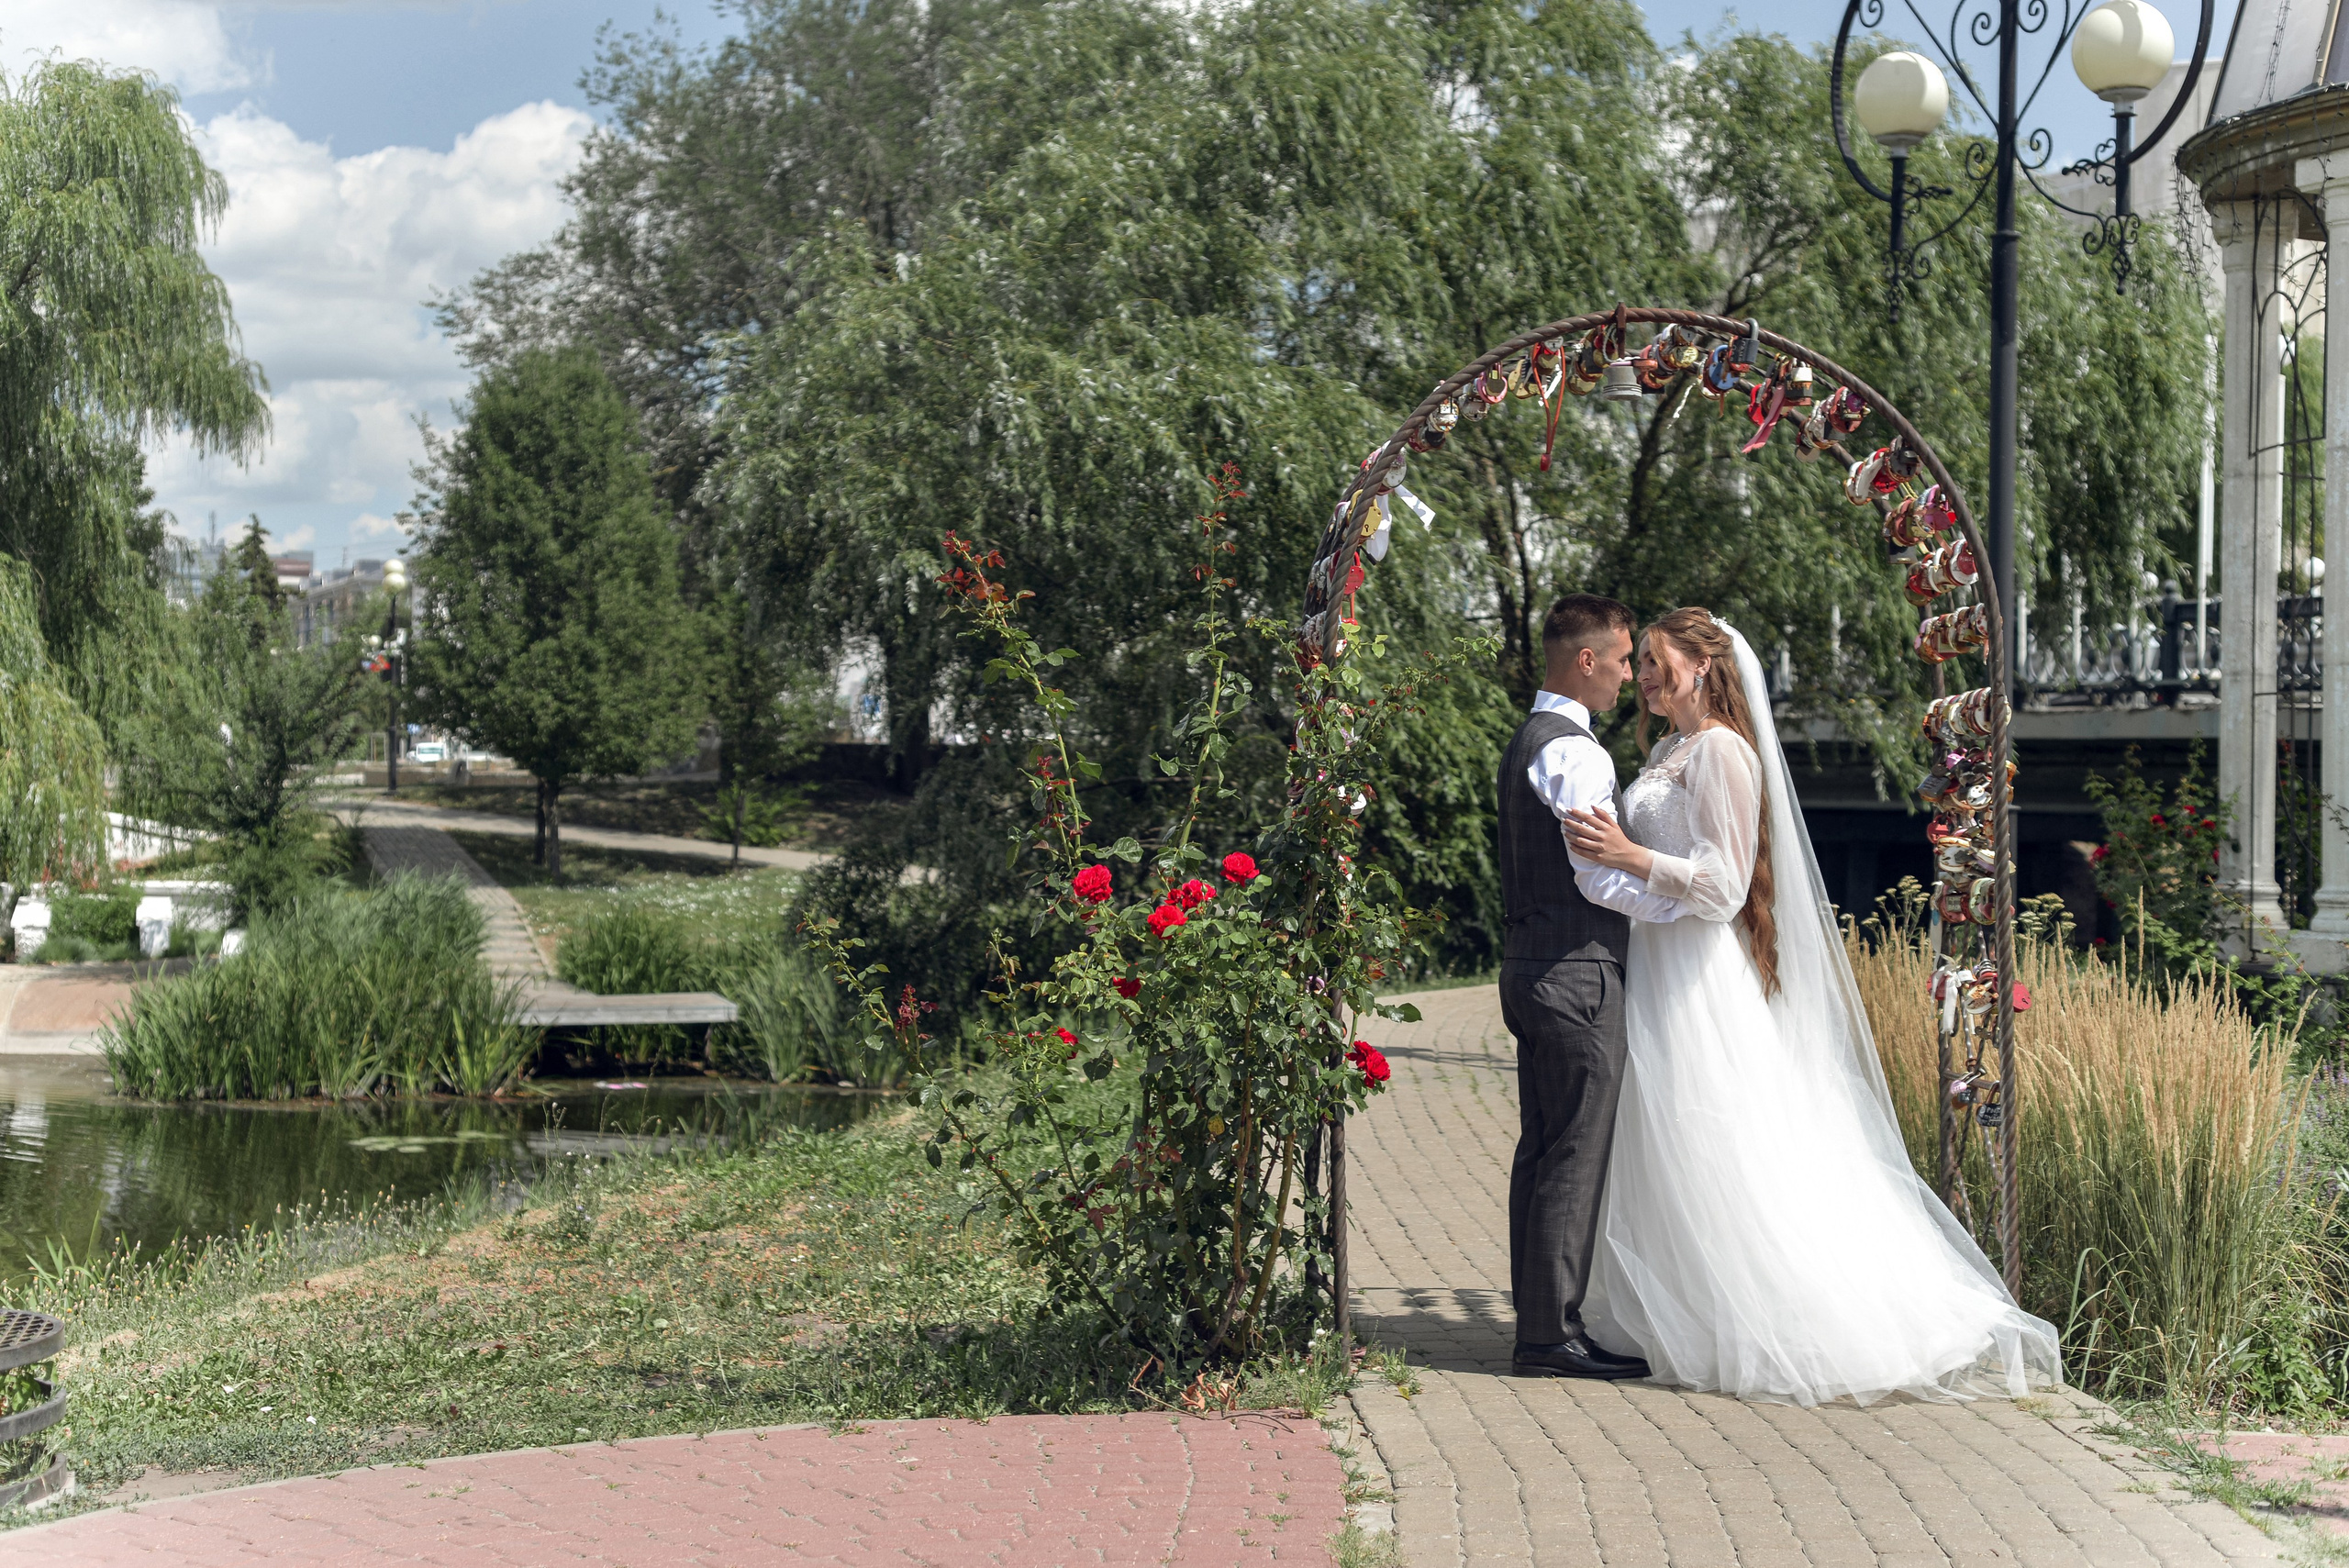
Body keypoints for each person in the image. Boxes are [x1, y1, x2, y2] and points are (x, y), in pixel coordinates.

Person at [1558, 607, 2059, 1406]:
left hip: (1697, 970)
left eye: (1656, 661)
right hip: (1654, 957)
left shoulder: (1723, 750)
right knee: (1665, 1142)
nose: (1645, 676)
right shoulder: (1666, 749)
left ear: (1702, 662)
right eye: (1641, 663)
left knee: (1717, 1137)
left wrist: (1630, 854)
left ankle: (1772, 1316)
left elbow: (1723, 887)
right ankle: (1687, 1311)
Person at [1494, 594, 1677, 1382]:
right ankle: (1550, 1335)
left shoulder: (1526, 739)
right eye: (1626, 659)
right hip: (1577, 973)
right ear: (1587, 660)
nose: (1631, 675)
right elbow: (1598, 873)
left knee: (1541, 1149)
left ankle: (1540, 1322)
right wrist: (1676, 904)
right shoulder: (1578, 752)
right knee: (1572, 1152)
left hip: (1526, 967)